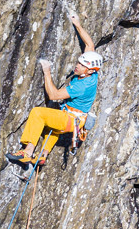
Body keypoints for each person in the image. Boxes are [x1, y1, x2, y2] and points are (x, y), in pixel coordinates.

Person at [7, 13, 103, 164]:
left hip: (70, 119)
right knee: (51, 121)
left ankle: (27, 152)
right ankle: (43, 155)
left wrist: (47, 72)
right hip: (72, 118)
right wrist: (77, 24)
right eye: (79, 62)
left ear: (89, 70)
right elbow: (90, 45)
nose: (77, 66)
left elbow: (53, 95)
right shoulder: (92, 71)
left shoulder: (82, 86)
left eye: (82, 65)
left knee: (38, 113)